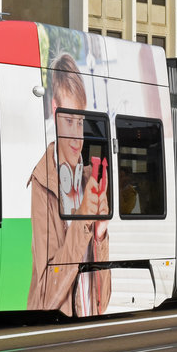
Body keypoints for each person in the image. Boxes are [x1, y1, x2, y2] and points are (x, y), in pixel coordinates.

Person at [27, 53, 111, 316]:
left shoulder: (89, 180)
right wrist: (85, 219)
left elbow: (103, 299)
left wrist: (100, 235)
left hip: (87, 331)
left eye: (81, 122)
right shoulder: (42, 184)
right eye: (69, 121)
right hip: (58, 334)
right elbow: (44, 299)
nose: (77, 137)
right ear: (54, 110)